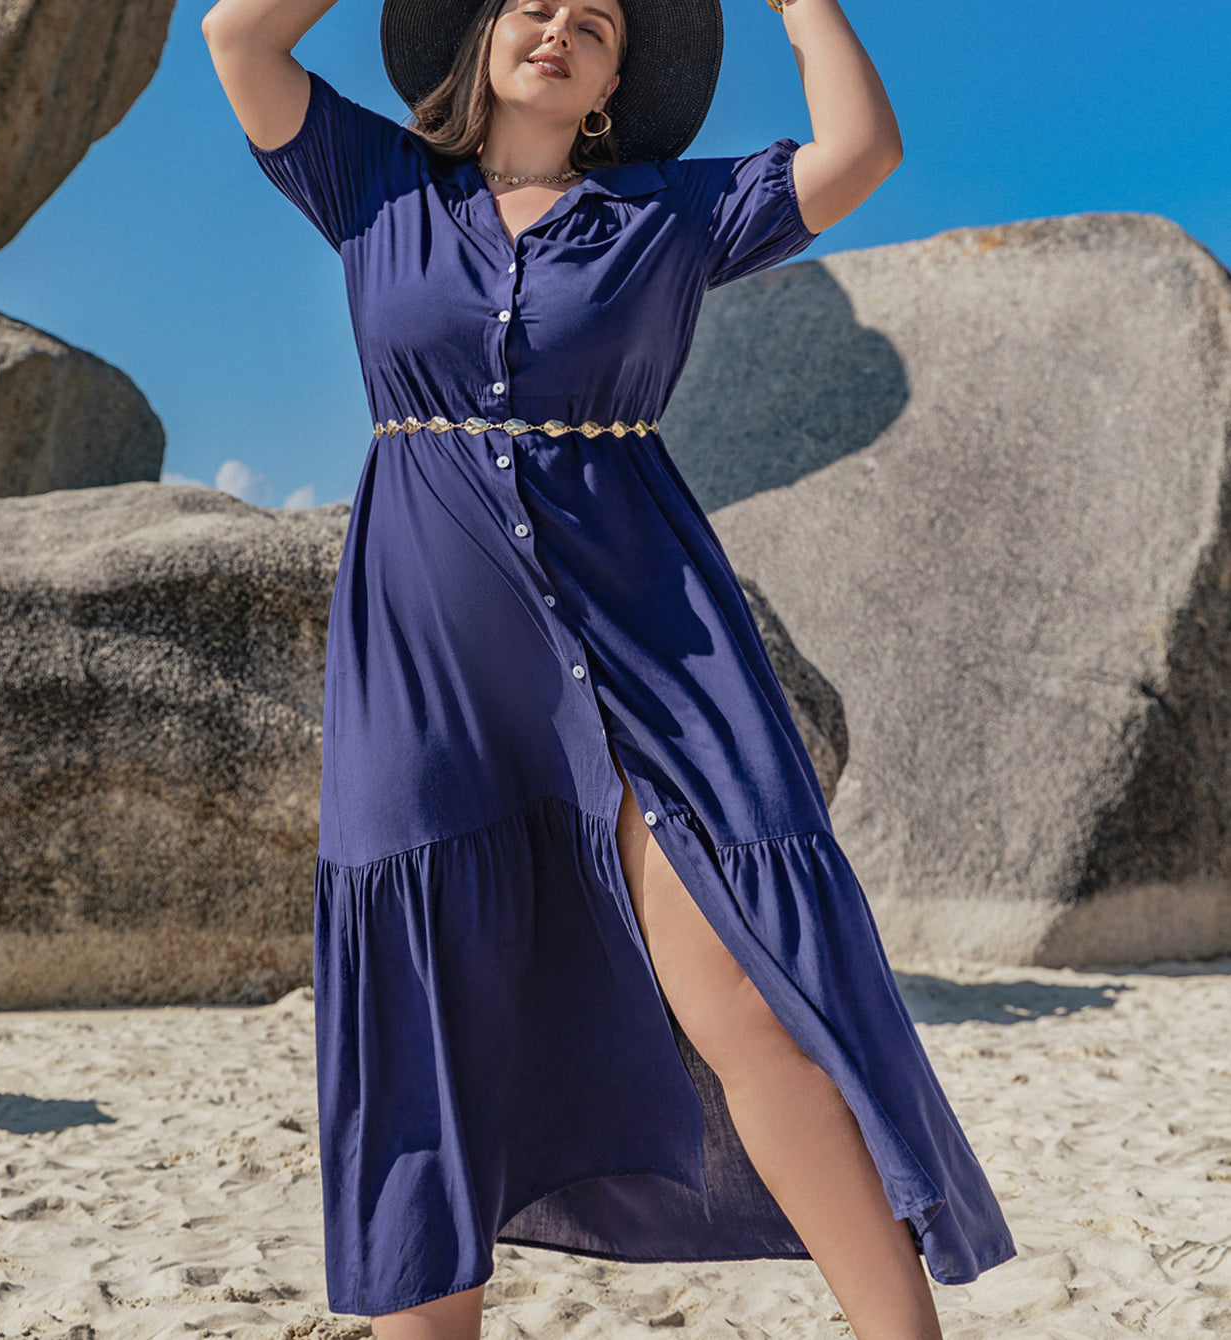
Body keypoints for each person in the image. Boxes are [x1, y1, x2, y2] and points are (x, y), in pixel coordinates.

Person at [202, 0, 1017, 1335]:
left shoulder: (669, 216)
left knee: (749, 998)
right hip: (429, 675)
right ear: (479, 34)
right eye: (533, 4)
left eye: (593, 21)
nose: (560, 26)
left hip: (643, 651)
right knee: (427, 1022)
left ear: (614, 82)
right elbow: (239, 36)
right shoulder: (374, 185)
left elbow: (861, 149)